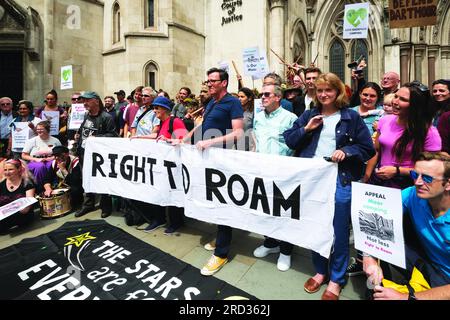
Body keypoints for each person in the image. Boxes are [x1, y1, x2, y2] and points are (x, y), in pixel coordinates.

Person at [283, 73, 375, 300]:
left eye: (329, 90)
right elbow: (290, 140)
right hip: (311, 181)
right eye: (320, 90)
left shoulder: (350, 117)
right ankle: (320, 271)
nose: (324, 94)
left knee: (339, 231)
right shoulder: (309, 114)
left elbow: (368, 149)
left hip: (340, 180)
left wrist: (347, 151)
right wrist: (307, 129)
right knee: (315, 226)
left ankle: (336, 278)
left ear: (338, 92)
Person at [179, 67, 243, 276]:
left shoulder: (232, 102)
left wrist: (210, 142)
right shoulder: (211, 102)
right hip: (207, 160)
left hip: (222, 161)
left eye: (213, 81)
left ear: (224, 83)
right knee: (214, 202)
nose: (209, 84)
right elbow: (200, 126)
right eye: (207, 81)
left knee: (222, 203)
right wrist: (183, 140)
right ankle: (220, 237)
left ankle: (221, 254)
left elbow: (238, 133)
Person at [363, 151, 450, 300]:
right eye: (415, 175)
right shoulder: (413, 195)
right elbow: (376, 213)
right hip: (427, 263)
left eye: (427, 178)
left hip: (446, 282)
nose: (417, 182)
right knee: (383, 237)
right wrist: (368, 256)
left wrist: (406, 297)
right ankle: (380, 282)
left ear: (447, 184)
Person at [252, 83, 297, 271]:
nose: (262, 97)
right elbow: (256, 140)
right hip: (262, 171)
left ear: (278, 97)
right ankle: (271, 243)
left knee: (284, 213)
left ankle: (286, 251)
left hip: (283, 174)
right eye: (262, 94)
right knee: (265, 210)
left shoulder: (291, 118)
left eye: (267, 94)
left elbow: (296, 145)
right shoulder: (259, 117)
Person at [367, 82, 442, 190]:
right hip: (381, 181)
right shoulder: (384, 120)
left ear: (416, 105)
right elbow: (376, 150)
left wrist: (398, 171)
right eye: (396, 96)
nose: (395, 102)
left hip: (410, 185)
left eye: (403, 99)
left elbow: (433, 168)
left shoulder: (429, 132)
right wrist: (367, 175)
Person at [144, 96, 188, 235]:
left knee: (172, 192)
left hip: (173, 166)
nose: (154, 110)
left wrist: (168, 140)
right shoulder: (161, 123)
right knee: (158, 190)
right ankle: (159, 219)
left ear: (165, 109)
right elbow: (155, 136)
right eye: (154, 107)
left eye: (156, 107)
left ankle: (176, 222)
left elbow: (185, 140)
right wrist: (138, 138)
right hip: (161, 165)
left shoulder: (176, 121)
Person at [74, 91, 117, 219]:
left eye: (87, 100)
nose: (84, 103)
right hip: (84, 154)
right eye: (83, 101)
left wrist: (96, 137)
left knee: (102, 180)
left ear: (96, 101)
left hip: (99, 157)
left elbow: (113, 135)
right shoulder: (86, 116)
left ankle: (106, 206)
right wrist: (78, 136)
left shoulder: (106, 117)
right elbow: (84, 131)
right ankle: (88, 204)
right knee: (86, 179)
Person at [21, 121, 62, 192]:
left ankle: (53, 186)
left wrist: (52, 158)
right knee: (40, 167)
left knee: (53, 165)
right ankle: (39, 189)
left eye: (41, 129)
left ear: (47, 129)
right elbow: (24, 155)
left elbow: (61, 153)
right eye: (38, 129)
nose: (39, 131)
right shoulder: (31, 141)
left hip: (51, 160)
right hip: (35, 161)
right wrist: (35, 159)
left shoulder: (55, 140)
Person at [42, 145, 83, 210]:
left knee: (75, 190)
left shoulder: (76, 162)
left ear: (67, 154)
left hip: (77, 186)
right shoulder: (54, 163)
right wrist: (48, 188)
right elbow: (47, 179)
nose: (56, 158)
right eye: (55, 155)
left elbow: (75, 181)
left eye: (59, 155)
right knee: (46, 192)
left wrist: (63, 169)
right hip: (63, 186)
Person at [0, 159, 35, 233]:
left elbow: (29, 203)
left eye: (10, 169)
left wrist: (23, 208)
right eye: (5, 170)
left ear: (19, 169)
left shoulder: (27, 183)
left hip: (22, 215)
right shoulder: (1, 184)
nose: (7, 172)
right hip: (5, 216)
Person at [237, 87, 255, 151]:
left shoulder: (253, 112)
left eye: (242, 97)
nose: (239, 99)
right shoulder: (236, 110)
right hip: (237, 144)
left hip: (250, 146)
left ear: (249, 98)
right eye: (238, 96)